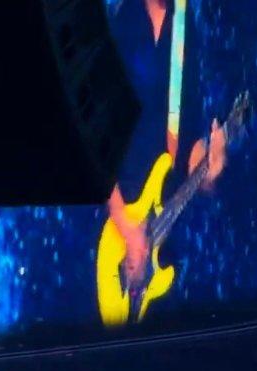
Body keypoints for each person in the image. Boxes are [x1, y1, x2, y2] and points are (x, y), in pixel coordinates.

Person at [105, 0, 226, 309]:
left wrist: (209, 169)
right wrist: (124, 224)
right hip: (112, 227)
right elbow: (92, 138)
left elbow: (189, 137)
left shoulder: (189, 28)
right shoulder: (116, 23)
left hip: (165, 233)